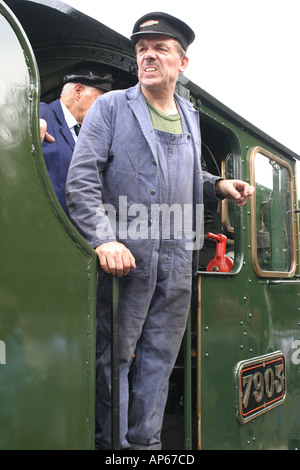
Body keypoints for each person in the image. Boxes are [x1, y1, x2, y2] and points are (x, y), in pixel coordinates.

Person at [66, 12, 255, 450]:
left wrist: (218, 185)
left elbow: (186, 177)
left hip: (177, 258)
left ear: (181, 63)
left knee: (160, 360)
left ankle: (147, 444)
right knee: (112, 360)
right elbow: (82, 180)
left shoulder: (188, 115)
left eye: (160, 48)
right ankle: (113, 448)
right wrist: (103, 238)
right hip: (127, 259)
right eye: (142, 49)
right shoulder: (111, 107)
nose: (148, 55)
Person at [40, 68, 113, 214]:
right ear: (78, 91)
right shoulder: (44, 113)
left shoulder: (87, 135)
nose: (104, 111)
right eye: (100, 101)